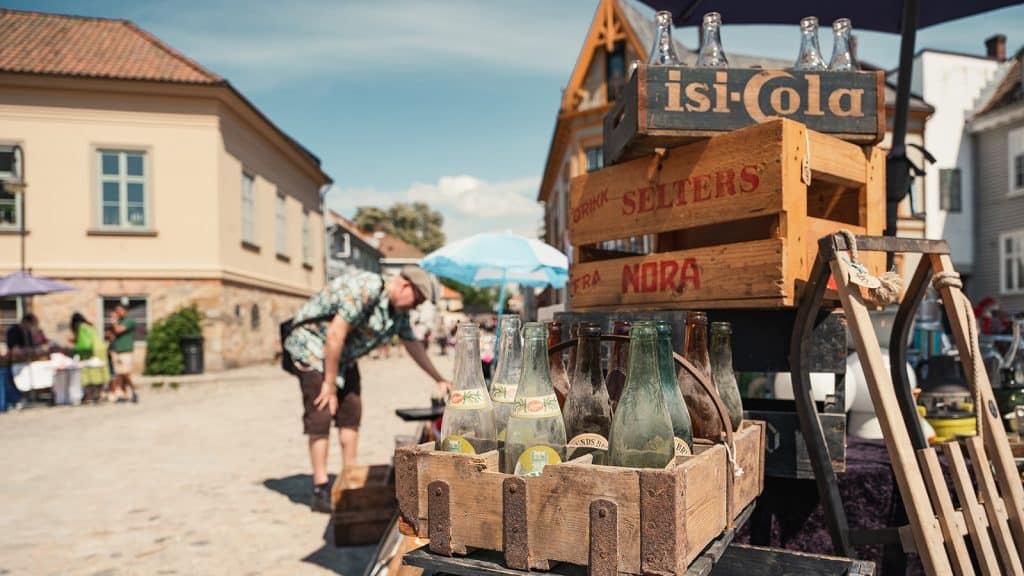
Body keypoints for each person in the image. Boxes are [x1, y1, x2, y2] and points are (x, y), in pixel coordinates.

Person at [283, 266, 451, 513]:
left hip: (342, 357)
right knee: (321, 411)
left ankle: (349, 479)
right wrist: (329, 384)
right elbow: (335, 334)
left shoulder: (397, 312)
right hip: (312, 348)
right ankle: (320, 489)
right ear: (405, 286)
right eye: (416, 300)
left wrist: (439, 378)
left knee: (351, 410)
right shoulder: (367, 288)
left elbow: (412, 344)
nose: (413, 307)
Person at [70, 312, 110, 404]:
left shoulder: (81, 327)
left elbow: (84, 343)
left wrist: (74, 344)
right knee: (99, 372)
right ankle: (98, 395)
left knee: (87, 373)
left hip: (90, 351)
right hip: (100, 348)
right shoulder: (89, 325)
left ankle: (89, 396)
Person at [109, 300, 138, 403]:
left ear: (125, 311)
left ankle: (134, 391)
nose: (118, 313)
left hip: (126, 351)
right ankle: (123, 395)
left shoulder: (129, 321)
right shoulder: (119, 321)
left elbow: (118, 330)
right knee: (119, 375)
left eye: (119, 311)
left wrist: (114, 322)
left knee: (126, 373)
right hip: (117, 350)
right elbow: (111, 335)